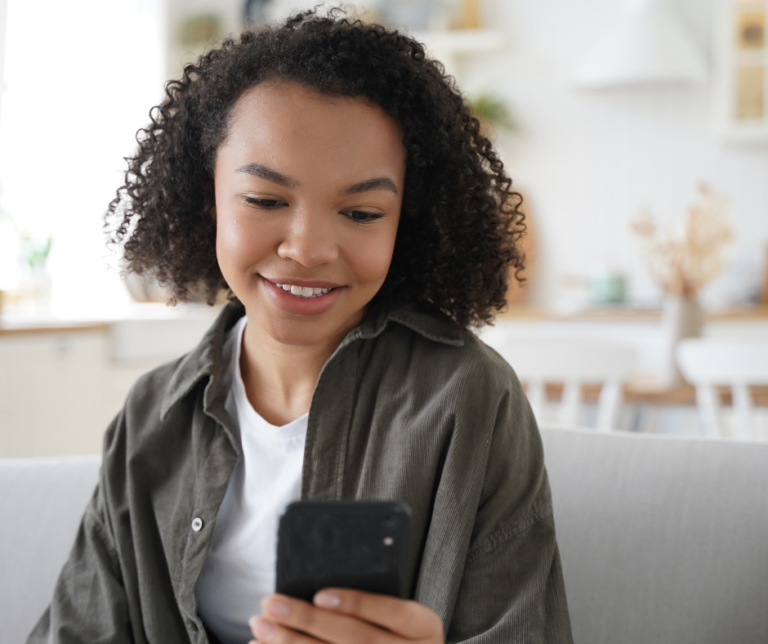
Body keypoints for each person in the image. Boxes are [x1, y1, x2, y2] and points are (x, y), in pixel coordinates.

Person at [28, 9, 572, 644]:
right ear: (208, 197)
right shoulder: (152, 416)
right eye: (265, 201)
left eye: (362, 212)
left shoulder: (469, 402)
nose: (309, 249)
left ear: (408, 221)